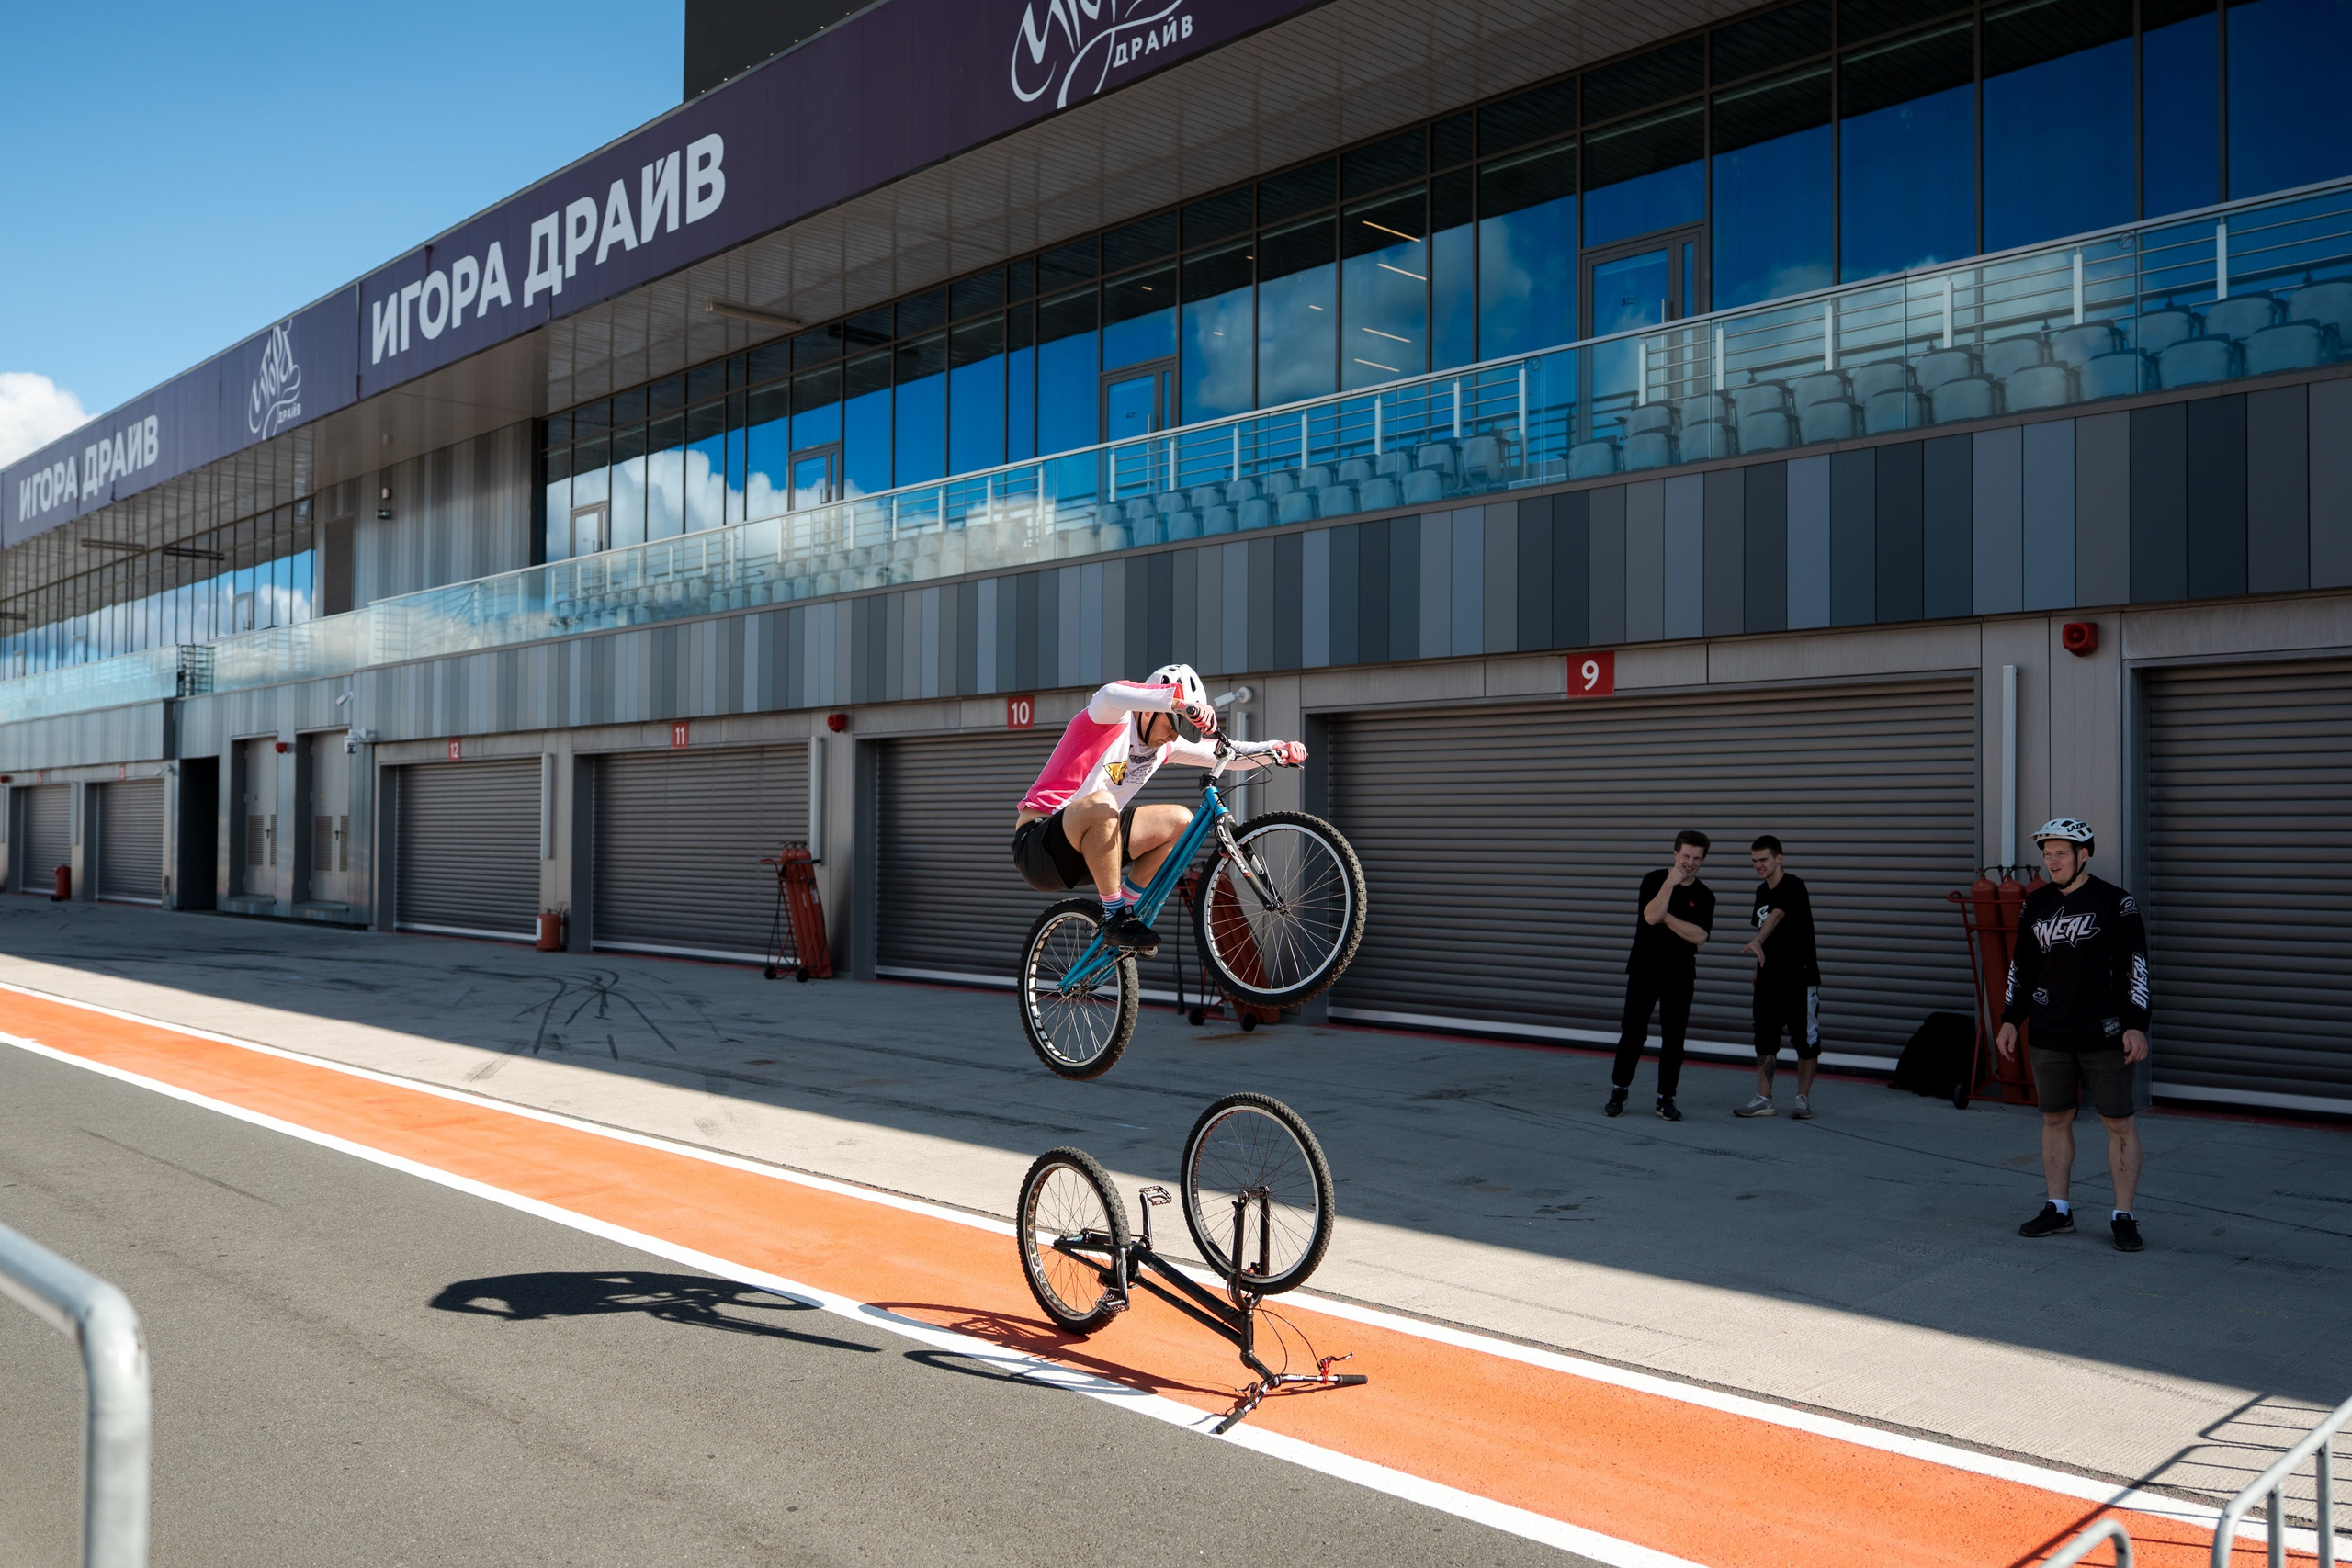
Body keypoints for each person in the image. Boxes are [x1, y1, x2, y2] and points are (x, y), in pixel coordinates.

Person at [1010, 663, 1303, 955]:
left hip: (1094, 848)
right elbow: (1112, 693)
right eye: (1173, 725)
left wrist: (1276, 749)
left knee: (1181, 822)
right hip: (1040, 846)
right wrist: (1178, 702)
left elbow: (1228, 752)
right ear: (1149, 710)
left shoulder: (1164, 747)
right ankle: (1116, 916)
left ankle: (1125, 912)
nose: (1174, 736)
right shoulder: (1110, 717)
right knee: (1104, 802)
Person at [1996, 818, 2153, 1253]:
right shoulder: (2037, 904)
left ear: (2084, 854)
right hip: (2050, 1031)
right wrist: (2011, 1017)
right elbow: (2021, 966)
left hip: (2105, 1033)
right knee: (2054, 1118)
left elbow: (2135, 966)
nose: (2052, 861)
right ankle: (2058, 1208)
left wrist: (2137, 1024)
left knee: (2118, 1123)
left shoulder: (2115, 902)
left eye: (2061, 853)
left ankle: (2124, 1215)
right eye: (2047, 854)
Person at [1606, 830, 1715, 1122]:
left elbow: (1700, 936)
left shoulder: (1705, 895)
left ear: (1703, 860)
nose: (1690, 863)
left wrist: (1667, 916)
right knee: (1633, 1031)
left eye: (1696, 858)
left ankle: (1665, 1098)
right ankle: (1620, 1089)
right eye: (1686, 856)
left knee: (1674, 1038)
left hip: (1680, 974)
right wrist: (1670, 883)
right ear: (1675, 854)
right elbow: (1650, 917)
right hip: (1644, 969)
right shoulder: (1654, 880)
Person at [1736, 835, 1822, 1120]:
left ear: (1778, 858)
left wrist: (1756, 940)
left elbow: (1775, 916)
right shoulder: (1761, 891)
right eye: (1754, 861)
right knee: (1764, 1037)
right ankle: (1764, 1099)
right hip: (1768, 978)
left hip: (1799, 976)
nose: (1758, 865)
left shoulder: (1793, 886)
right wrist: (1757, 968)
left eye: (1763, 860)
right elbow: (1765, 927)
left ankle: (1802, 1099)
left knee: (1805, 1040)